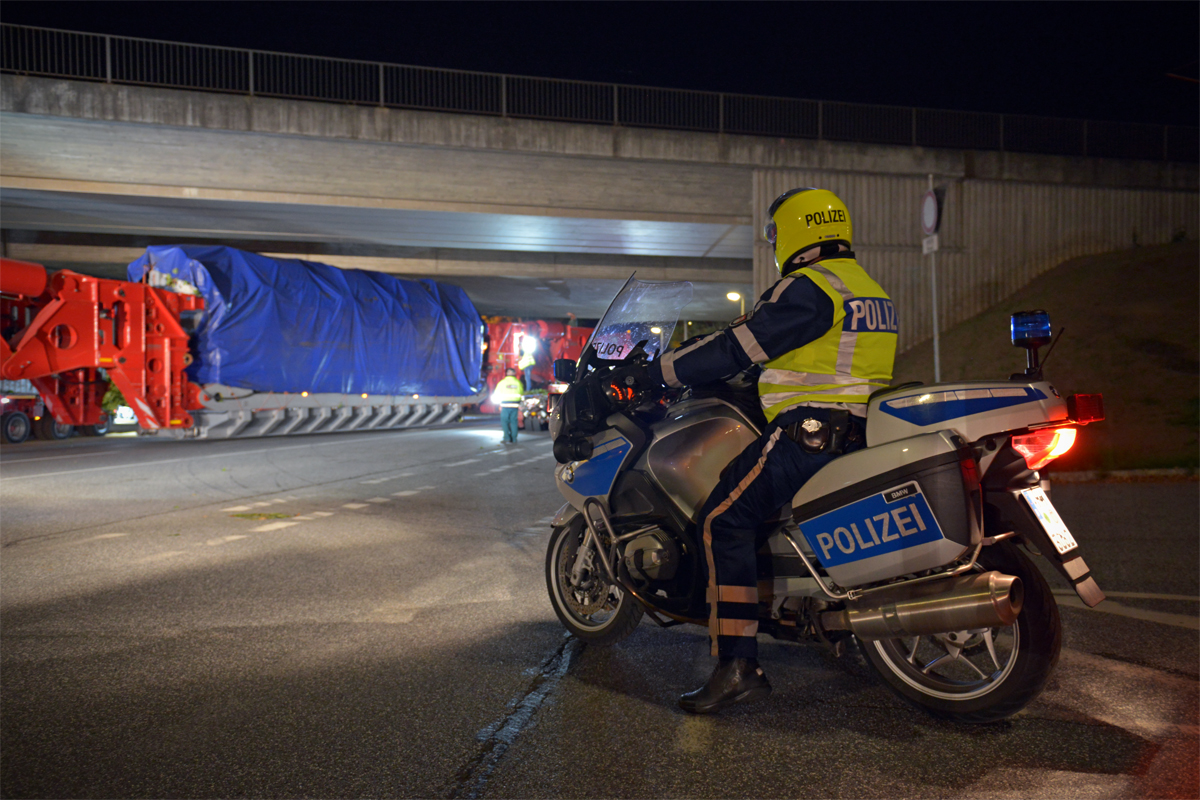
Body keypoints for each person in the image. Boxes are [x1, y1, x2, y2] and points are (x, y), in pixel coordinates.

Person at [646, 188, 898, 714]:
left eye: (776, 233)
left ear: (797, 230)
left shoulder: (809, 287)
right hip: (857, 428)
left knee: (722, 519)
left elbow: (738, 345)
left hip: (811, 431)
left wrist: (661, 370)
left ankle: (736, 664)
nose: (776, 243)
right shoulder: (866, 288)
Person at [492, 367, 525, 444]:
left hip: (505, 405)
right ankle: (514, 439)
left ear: (506, 373)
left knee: (505, 422)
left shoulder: (502, 383)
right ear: (514, 374)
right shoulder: (518, 383)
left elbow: (496, 394)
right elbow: (521, 393)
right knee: (513, 421)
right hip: (515, 405)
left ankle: (507, 437)